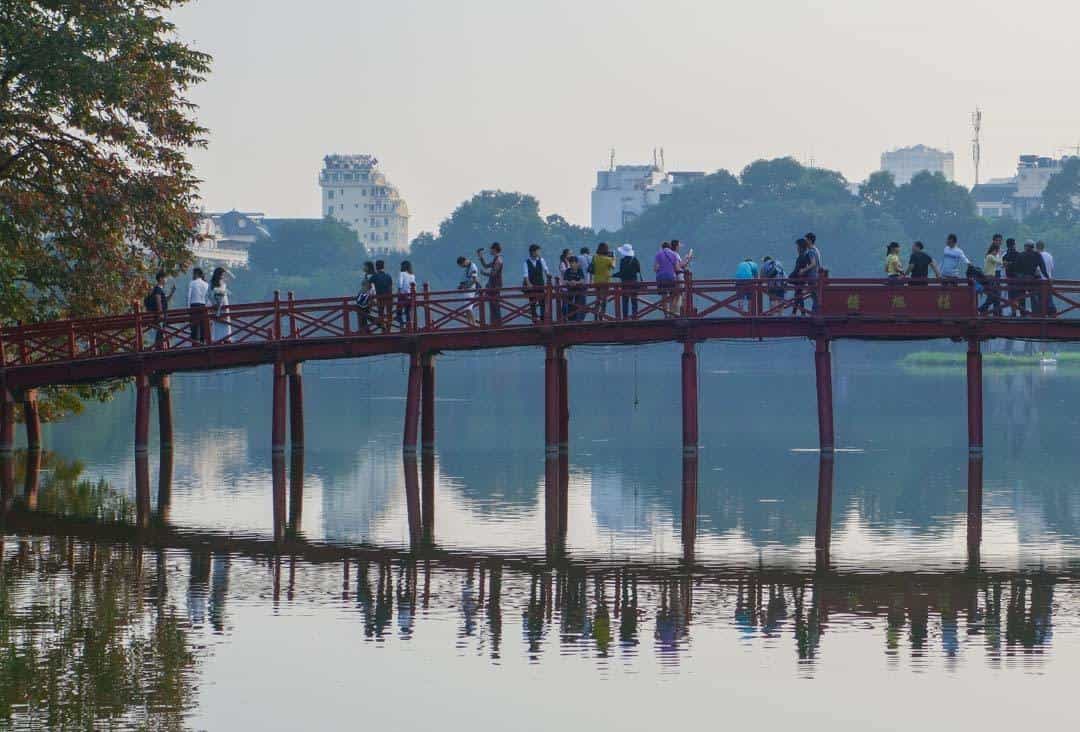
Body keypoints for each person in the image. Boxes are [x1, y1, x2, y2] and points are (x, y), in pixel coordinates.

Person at [1015, 241, 1049, 315]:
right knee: (1033, 296)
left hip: (1023, 279)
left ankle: (1022, 313)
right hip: (1033, 278)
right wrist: (1048, 278)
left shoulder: (1021, 255)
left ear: (1026, 247)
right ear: (1032, 247)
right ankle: (1035, 313)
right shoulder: (1037, 255)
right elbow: (1043, 268)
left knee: (1021, 297)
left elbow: (1016, 269)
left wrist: (1019, 277)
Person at [144, 270, 175, 349]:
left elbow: (164, 301)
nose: (166, 280)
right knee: (160, 331)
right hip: (160, 315)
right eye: (165, 278)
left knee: (160, 332)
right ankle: (159, 348)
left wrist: (171, 293)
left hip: (161, 315)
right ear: (161, 279)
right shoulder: (158, 289)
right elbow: (158, 300)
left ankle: (159, 347)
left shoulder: (158, 289)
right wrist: (160, 313)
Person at [477, 242, 503, 325]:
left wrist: (484, 273)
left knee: (495, 304)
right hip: (492, 284)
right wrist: (481, 256)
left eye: (491, 249)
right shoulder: (496, 259)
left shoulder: (498, 260)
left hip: (495, 285)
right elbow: (485, 265)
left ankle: (497, 323)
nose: (490, 251)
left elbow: (494, 274)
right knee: (492, 304)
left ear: (494, 249)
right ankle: (494, 323)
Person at [522, 244, 551, 321]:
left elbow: (546, 270)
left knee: (542, 302)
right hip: (531, 286)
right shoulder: (526, 262)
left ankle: (543, 318)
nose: (539, 252)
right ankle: (534, 319)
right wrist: (528, 284)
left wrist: (548, 276)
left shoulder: (541, 260)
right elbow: (526, 275)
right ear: (533, 252)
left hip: (540, 284)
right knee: (532, 303)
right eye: (538, 251)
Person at [613, 243, 642, 318]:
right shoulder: (635, 259)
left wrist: (613, 275)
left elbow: (622, 273)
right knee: (634, 301)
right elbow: (638, 270)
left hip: (625, 283)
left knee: (625, 301)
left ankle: (625, 317)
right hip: (634, 282)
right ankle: (635, 316)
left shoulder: (622, 260)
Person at [654, 241, 680, 316]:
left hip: (661, 278)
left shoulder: (658, 254)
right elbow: (677, 268)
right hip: (671, 277)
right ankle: (671, 313)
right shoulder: (674, 254)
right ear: (669, 247)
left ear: (662, 247)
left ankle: (666, 315)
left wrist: (661, 268)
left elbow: (655, 268)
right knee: (673, 296)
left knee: (664, 297)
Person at [591, 242, 616, 319]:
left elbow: (592, 266)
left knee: (598, 298)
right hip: (605, 281)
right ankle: (602, 315)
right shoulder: (608, 259)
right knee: (604, 299)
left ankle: (595, 315)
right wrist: (614, 258)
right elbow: (613, 267)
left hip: (596, 280)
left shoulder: (594, 257)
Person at [208, 267, 232, 343]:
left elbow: (231, 278)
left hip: (224, 305)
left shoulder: (222, 283)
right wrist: (215, 303)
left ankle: (226, 340)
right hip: (217, 306)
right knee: (219, 325)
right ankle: (220, 341)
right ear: (219, 274)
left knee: (225, 325)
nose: (223, 276)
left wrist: (227, 271)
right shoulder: (211, 284)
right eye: (222, 274)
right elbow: (209, 295)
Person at [670, 240, 694, 314]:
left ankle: (673, 313)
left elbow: (681, 265)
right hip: (678, 277)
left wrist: (687, 260)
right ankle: (676, 313)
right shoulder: (675, 255)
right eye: (679, 246)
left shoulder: (672, 254)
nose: (680, 247)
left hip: (674, 277)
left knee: (675, 296)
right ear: (676, 246)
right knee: (678, 296)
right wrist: (687, 258)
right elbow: (680, 266)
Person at [186, 267, 209, 345]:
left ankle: (194, 343)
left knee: (194, 326)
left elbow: (188, 296)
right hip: (203, 305)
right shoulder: (206, 284)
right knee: (203, 326)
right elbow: (208, 297)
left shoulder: (192, 283)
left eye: (193, 274)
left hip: (194, 305)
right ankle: (203, 342)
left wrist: (188, 308)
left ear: (196, 274)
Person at [371, 260, 394, 331]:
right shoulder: (388, 276)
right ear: (383, 266)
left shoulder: (374, 276)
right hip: (389, 297)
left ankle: (383, 328)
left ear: (376, 267)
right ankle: (389, 329)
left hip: (380, 298)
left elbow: (369, 285)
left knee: (381, 314)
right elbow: (390, 287)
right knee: (389, 314)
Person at [456, 255, 479, 326]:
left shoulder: (473, 267)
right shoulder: (468, 268)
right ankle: (470, 323)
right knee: (466, 308)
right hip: (467, 290)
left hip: (470, 290)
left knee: (468, 307)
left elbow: (474, 280)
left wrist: (466, 287)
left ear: (464, 262)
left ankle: (473, 323)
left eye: (462, 265)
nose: (462, 267)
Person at [982, 241, 1004, 315]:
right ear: (993, 250)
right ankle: (983, 308)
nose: (997, 253)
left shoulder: (989, 256)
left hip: (990, 277)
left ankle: (984, 309)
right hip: (990, 277)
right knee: (994, 295)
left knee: (993, 294)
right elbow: (1000, 262)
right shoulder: (990, 256)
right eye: (996, 251)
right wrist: (1000, 255)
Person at [790, 239, 810, 315]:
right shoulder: (806, 256)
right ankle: (797, 312)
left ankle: (800, 312)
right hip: (803, 279)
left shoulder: (801, 257)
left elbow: (797, 270)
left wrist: (789, 278)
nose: (797, 249)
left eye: (797, 247)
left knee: (798, 295)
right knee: (798, 295)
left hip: (799, 279)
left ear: (801, 247)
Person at [562, 255, 586, 321]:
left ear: (577, 263)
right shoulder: (568, 271)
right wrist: (569, 282)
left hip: (579, 291)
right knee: (569, 304)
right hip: (570, 291)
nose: (572, 265)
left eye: (573, 263)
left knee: (579, 304)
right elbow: (564, 281)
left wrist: (576, 282)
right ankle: (570, 318)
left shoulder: (579, 270)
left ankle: (579, 319)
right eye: (571, 263)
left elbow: (582, 280)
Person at [1002, 238, 1022, 315]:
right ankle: (1020, 312)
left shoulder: (1005, 256)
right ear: (1014, 244)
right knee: (1018, 296)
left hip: (1009, 278)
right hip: (1017, 278)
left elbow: (1005, 266)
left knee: (1011, 296)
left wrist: (1009, 264)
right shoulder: (1018, 254)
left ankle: (1013, 312)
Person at [356, 261, 376, 332]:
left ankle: (364, 329)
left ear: (368, 267)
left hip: (366, 297)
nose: (363, 268)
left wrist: (371, 297)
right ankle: (366, 329)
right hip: (364, 296)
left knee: (362, 312)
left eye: (364, 266)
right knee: (364, 313)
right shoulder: (367, 275)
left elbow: (373, 288)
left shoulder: (371, 276)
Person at [1037, 240, 1056, 315]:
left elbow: (1036, 269)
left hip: (1039, 280)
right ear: (1043, 247)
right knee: (1049, 298)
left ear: (1036, 247)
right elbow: (1052, 268)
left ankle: (1041, 314)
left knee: (1040, 298)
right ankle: (1051, 313)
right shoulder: (1049, 256)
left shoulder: (1036, 255)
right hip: (1048, 280)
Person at [396, 260, 416, 328]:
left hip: (402, 294)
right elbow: (414, 285)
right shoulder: (412, 275)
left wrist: (398, 292)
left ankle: (401, 324)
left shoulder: (402, 273)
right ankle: (409, 326)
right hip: (410, 295)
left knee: (399, 310)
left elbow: (400, 284)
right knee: (408, 311)